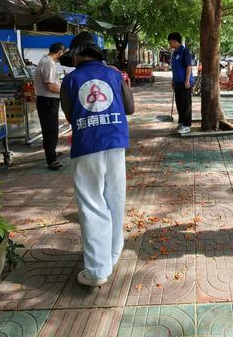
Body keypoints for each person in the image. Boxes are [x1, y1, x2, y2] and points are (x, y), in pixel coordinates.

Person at [60, 32, 133, 287]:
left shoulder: (70, 80)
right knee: (114, 196)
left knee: (92, 203)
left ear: (77, 53)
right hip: (115, 141)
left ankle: (96, 270)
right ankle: (112, 253)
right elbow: (129, 108)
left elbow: (70, 116)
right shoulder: (114, 74)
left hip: (87, 144)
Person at [34, 42, 65, 170]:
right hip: (48, 101)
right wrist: (64, 90)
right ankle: (52, 160)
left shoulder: (45, 60)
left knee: (49, 129)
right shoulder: (49, 63)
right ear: (60, 52)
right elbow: (50, 85)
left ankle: (51, 153)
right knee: (51, 130)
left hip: (46, 100)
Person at [168, 32, 193, 134]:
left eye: (170, 41)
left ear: (174, 40)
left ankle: (187, 125)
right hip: (177, 82)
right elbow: (175, 68)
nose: (169, 44)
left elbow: (188, 66)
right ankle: (182, 122)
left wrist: (187, 80)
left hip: (185, 82)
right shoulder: (174, 53)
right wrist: (173, 80)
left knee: (186, 104)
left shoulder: (185, 51)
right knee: (179, 104)